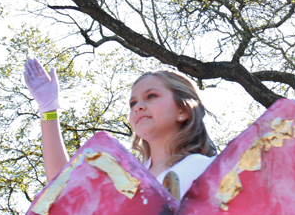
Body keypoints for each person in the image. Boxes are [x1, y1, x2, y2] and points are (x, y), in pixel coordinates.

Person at [24, 59, 215, 199]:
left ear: (183, 110)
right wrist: (49, 110)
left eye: (151, 96)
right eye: (133, 103)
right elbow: (64, 190)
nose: (138, 106)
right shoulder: (125, 177)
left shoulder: (208, 170)